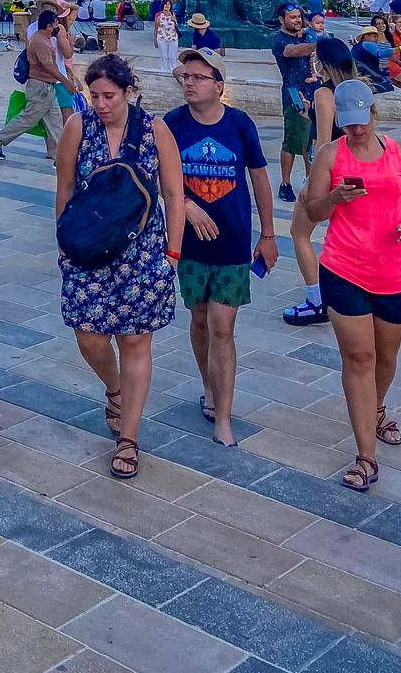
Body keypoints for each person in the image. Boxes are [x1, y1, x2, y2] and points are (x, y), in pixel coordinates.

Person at [57, 54, 184, 480]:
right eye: (94, 95)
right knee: (89, 338)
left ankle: (128, 438)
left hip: (143, 253)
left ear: (127, 93)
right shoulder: (78, 127)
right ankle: (115, 390)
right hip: (89, 251)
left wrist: (172, 253)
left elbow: (173, 192)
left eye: (108, 95)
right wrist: (64, 244)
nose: (100, 103)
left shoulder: (155, 129)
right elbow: (66, 188)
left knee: (135, 343)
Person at [305, 80, 401, 491]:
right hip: (343, 267)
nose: (355, 130)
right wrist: (336, 198)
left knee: (386, 358)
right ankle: (365, 456)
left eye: (362, 122)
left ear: (374, 114)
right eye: (349, 124)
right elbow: (313, 210)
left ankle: (376, 407)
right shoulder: (330, 154)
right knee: (359, 357)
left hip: (393, 270)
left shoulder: (398, 153)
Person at [164, 48, 277, 449]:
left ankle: (224, 418)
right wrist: (188, 207)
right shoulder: (172, 125)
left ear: (219, 85)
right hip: (189, 244)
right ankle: (208, 387)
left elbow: (260, 179)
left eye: (198, 77)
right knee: (198, 320)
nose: (189, 83)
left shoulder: (240, 125)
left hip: (233, 242)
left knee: (223, 327)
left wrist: (267, 234)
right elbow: (162, 176)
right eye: (185, 77)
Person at [282, 36, 356, 326]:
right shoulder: (356, 89)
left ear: (322, 61)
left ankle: (316, 300)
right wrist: (307, 112)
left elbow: (324, 141)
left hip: (332, 171)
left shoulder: (325, 94)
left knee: (299, 232)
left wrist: (312, 184)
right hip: (355, 168)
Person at [0, 9, 72, 161]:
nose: (57, 27)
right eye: (55, 25)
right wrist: (66, 82)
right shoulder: (41, 43)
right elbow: (49, 66)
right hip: (40, 88)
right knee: (28, 119)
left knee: (56, 122)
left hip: (47, 88)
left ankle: (63, 156)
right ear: (48, 27)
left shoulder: (40, 38)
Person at [271, 2, 317, 202]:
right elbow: (292, 51)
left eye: (299, 16)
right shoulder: (279, 39)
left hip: (314, 91)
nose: (297, 20)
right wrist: (321, 43)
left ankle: (311, 180)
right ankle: (285, 182)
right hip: (294, 93)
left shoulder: (308, 35)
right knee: (292, 140)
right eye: (293, 17)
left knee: (311, 141)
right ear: (282, 19)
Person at [153, 0, 180, 75]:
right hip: (162, 38)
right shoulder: (159, 15)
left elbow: (176, 26)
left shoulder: (173, 14)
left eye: (168, 4)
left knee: (172, 56)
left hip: (173, 38)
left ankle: (173, 71)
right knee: (164, 56)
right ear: (162, 6)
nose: (167, 6)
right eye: (165, 4)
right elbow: (156, 28)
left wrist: (174, 20)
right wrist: (155, 40)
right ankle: (163, 71)